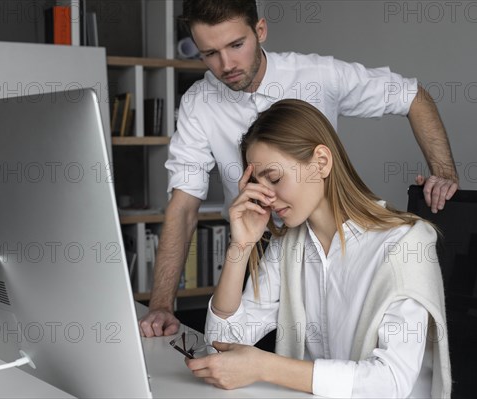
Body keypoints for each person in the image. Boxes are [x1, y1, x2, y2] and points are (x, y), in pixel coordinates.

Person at [139, 0, 458, 338]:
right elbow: (184, 205)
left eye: (236, 45)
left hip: (331, 240)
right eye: (210, 53)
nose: (226, 64)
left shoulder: (318, 75)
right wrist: (161, 304)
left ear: (260, 30)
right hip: (257, 245)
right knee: (238, 358)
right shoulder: (199, 102)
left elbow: (412, 95)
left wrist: (445, 173)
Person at [184, 99, 451, 398]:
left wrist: (265, 367)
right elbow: (220, 343)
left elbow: (390, 382)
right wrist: (241, 246)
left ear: (321, 162)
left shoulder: (405, 244)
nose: (267, 198)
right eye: (258, 184)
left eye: (274, 178)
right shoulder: (288, 245)